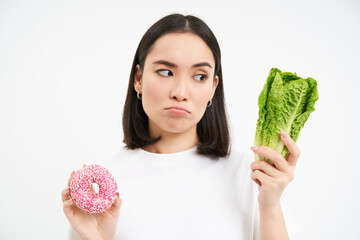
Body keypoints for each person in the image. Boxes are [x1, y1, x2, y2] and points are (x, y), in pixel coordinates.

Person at [61, 13, 299, 240]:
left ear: (213, 88)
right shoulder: (103, 189)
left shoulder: (253, 177)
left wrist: (270, 205)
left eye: (199, 76)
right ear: (139, 78)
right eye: (166, 72)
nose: (180, 93)